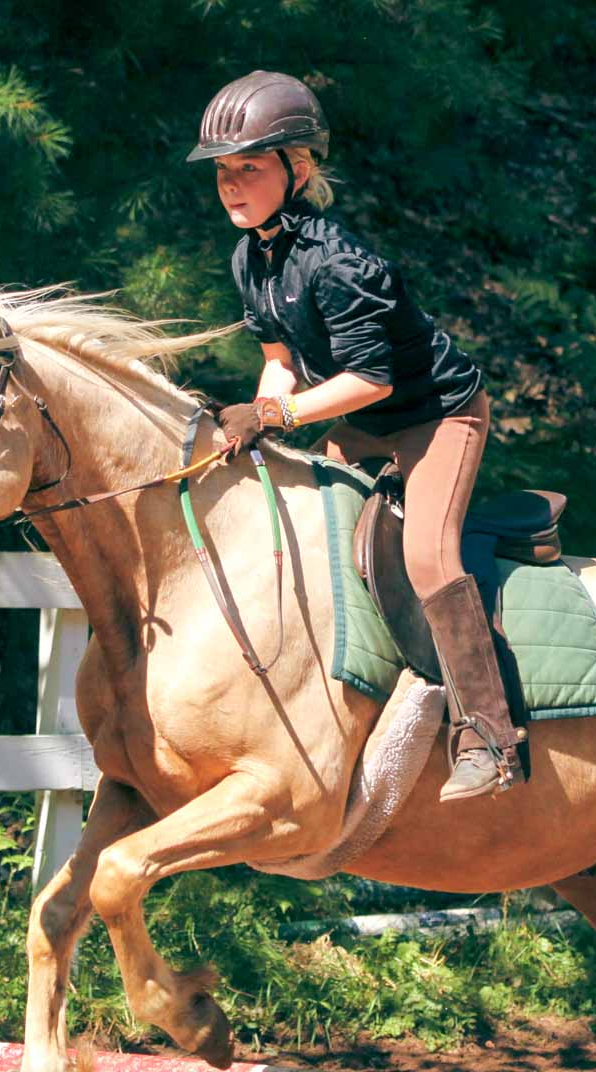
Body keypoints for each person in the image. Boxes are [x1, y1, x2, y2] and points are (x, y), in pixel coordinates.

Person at [193, 70, 521, 800]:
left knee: (427, 556)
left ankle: (488, 738)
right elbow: (279, 363)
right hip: (366, 421)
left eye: (250, 167)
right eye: (223, 171)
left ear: (298, 169)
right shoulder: (252, 256)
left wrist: (276, 417)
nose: (232, 184)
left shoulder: (338, 261)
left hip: (438, 414)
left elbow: (371, 380)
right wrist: (258, 429)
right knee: (321, 536)